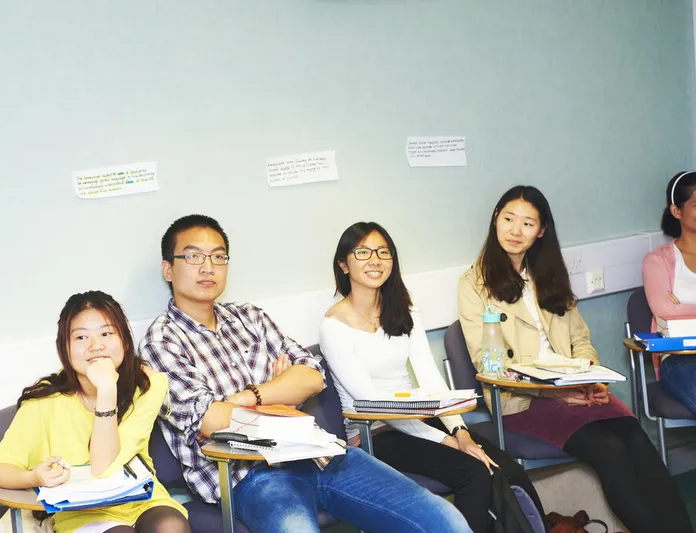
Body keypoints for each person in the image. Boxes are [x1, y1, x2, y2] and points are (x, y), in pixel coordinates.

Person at [139, 214, 470, 533]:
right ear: (168, 269)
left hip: (322, 455)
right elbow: (209, 420)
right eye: (193, 256)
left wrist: (247, 397)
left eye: (218, 256)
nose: (208, 267)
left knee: (445, 520)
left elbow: (312, 376)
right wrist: (280, 394)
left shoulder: (249, 317)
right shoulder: (161, 341)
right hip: (250, 476)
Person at [458, 185, 692, 533]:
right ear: (496, 220)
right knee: (609, 448)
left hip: (573, 388)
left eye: (527, 223)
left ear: (541, 231)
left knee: (636, 438)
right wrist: (553, 391)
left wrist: (589, 377)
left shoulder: (548, 275)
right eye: (508, 219)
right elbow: (487, 364)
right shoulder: (473, 284)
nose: (515, 230)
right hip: (522, 401)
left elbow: (581, 340)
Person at [319, 221, 545, 533]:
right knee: (473, 473)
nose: (375, 260)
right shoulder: (333, 326)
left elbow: (430, 379)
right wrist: (445, 440)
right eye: (363, 252)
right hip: (374, 435)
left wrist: (460, 432)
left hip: (420, 422)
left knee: (505, 468)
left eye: (383, 252)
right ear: (344, 264)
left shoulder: (404, 310)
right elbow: (374, 404)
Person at [0, 291, 189, 533]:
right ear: (64, 349)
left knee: (171, 526)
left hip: (141, 499)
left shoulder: (147, 385)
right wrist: (34, 478)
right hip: (82, 514)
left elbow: (105, 464)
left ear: (124, 341)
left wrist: (106, 390)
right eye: (81, 337)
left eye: (106, 333)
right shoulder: (44, 401)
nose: (96, 346)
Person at [643, 170, 696, 413]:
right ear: (677, 211)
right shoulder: (657, 261)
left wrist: (682, 307)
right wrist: (674, 309)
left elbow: (676, 310)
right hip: (679, 358)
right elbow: (665, 311)